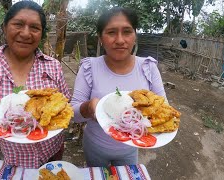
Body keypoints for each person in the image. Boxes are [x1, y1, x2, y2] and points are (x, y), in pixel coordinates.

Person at [0, 1, 70, 169]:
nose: (26, 33)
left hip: (53, 152)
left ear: (42, 34)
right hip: (15, 160)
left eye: (35, 28)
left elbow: (65, 103)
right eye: (18, 24)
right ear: (5, 27)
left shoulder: (53, 65)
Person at [71, 7, 166, 167]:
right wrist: (87, 108)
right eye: (111, 32)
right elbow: (72, 114)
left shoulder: (148, 68)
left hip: (130, 149)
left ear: (135, 36)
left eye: (127, 31)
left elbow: (164, 109)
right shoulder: (89, 67)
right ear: (100, 38)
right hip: (95, 145)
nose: (120, 40)